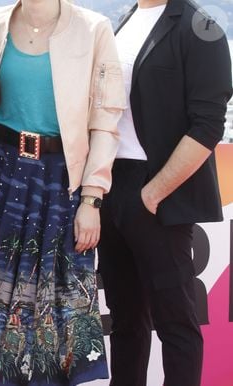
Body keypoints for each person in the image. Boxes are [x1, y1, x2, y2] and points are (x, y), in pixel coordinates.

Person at [0, 0, 125, 384]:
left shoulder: (95, 29)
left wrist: (92, 196)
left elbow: (106, 121)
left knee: (49, 310)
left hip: (60, 182)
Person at [96, 1, 232, 385]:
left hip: (159, 191)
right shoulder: (124, 20)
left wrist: (153, 193)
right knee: (125, 322)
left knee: (176, 322)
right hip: (111, 184)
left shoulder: (202, 27)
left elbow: (207, 126)